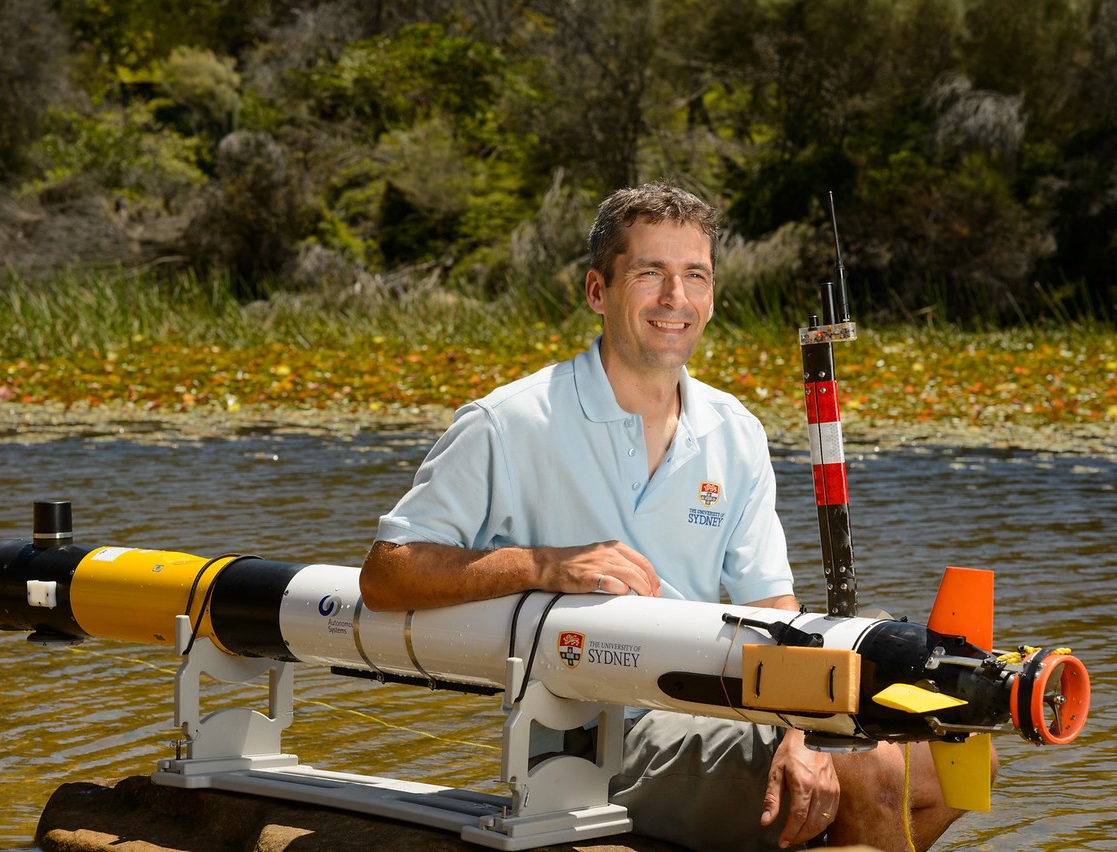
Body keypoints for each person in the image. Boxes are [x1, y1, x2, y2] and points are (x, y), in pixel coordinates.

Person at [360, 182, 982, 851]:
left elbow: (772, 604)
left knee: (948, 757)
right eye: (649, 274)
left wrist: (799, 732)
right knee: (868, 770)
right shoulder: (508, 422)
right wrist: (547, 564)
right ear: (598, 291)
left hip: (726, 701)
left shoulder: (733, 428)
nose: (674, 299)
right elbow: (387, 574)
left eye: (695, 276)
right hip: (589, 730)